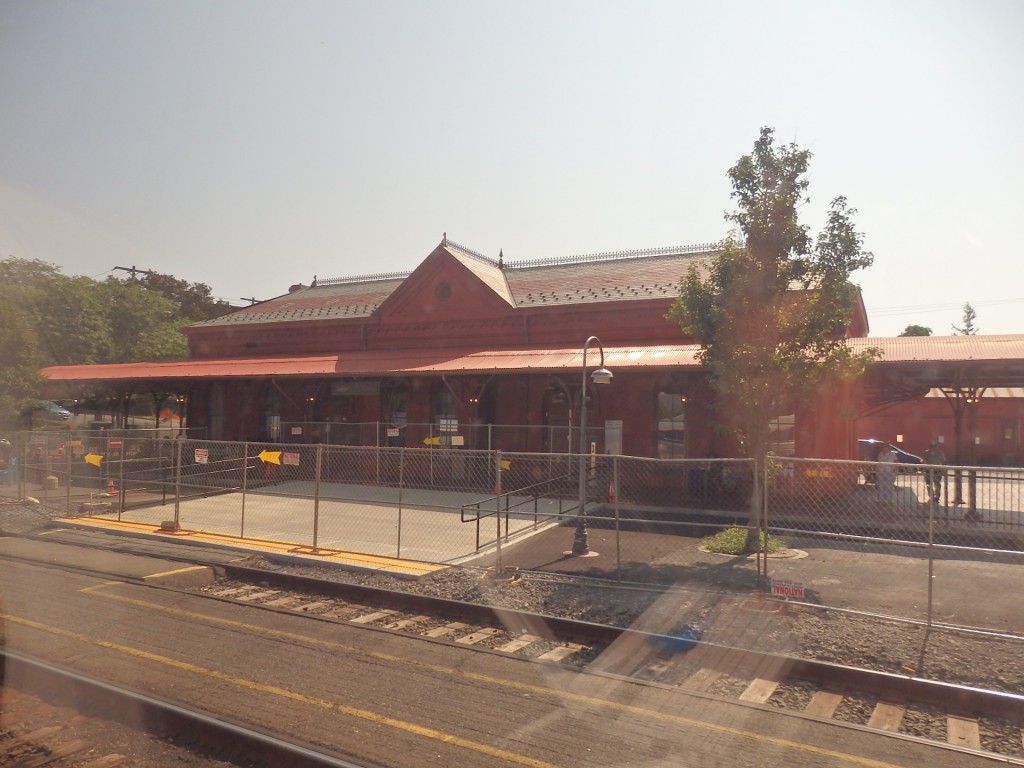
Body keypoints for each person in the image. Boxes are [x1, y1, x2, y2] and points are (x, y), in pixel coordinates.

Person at [875, 443, 898, 509]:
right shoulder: (880, 454)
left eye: (885, 447)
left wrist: (893, 470)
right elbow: (877, 462)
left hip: (889, 473)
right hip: (881, 473)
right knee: (881, 487)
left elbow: (896, 463)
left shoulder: (892, 455)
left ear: (888, 448)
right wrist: (877, 470)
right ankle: (881, 500)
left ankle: (888, 501)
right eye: (883, 447)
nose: (884, 449)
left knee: (888, 487)